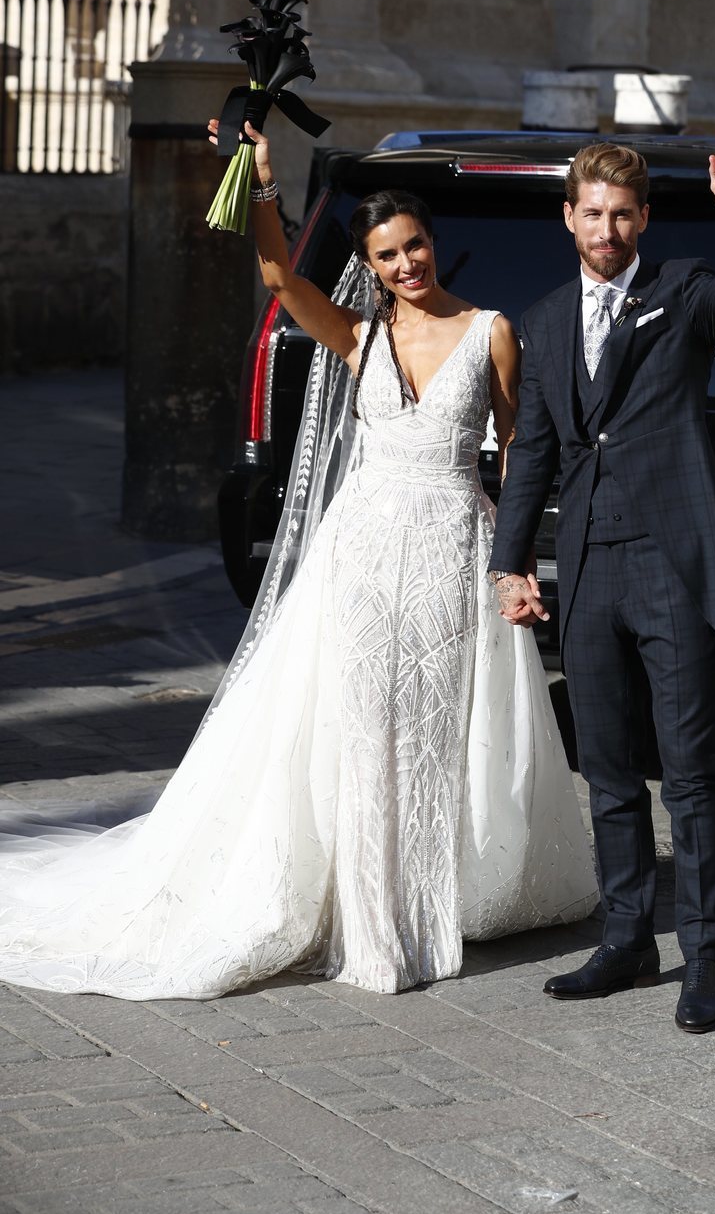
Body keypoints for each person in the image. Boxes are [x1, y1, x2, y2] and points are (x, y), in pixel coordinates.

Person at [0, 120, 597, 1000]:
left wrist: (516, 562)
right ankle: (367, 922)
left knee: (433, 729)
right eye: (388, 254)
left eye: (416, 245)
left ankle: (428, 896)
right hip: (360, 550)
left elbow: (517, 452)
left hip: (452, 547)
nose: (406, 265)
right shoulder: (357, 338)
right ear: (372, 262)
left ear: (435, 243)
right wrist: (265, 178)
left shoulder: (491, 331)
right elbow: (279, 275)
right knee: (360, 727)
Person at [488, 116, 715, 1030]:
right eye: (592, 214)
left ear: (645, 220)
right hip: (587, 570)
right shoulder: (539, 320)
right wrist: (513, 564)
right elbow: (530, 454)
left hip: (670, 567)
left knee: (690, 773)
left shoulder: (684, 291)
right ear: (568, 217)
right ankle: (625, 939)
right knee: (606, 769)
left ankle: (705, 961)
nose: (606, 231)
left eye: (622, 216)